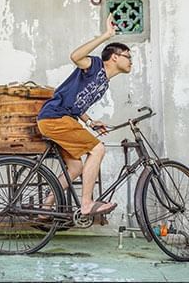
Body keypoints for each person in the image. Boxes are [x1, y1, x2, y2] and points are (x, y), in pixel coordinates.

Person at [37, 14, 132, 218]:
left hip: (63, 119)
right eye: (128, 56)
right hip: (54, 118)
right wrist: (106, 35)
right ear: (115, 57)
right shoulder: (95, 65)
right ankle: (87, 203)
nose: (131, 61)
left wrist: (90, 122)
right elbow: (75, 56)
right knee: (98, 149)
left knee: (76, 166)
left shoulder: (104, 84)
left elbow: (77, 104)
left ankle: (45, 207)